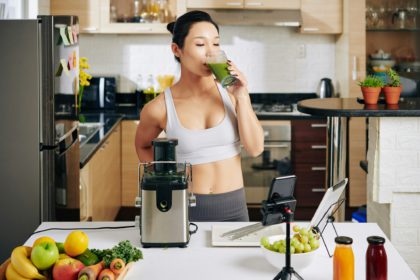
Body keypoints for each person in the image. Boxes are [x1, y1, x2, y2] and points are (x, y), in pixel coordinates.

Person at [134, 10, 264, 221]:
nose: (211, 53)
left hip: (235, 211)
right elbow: (142, 145)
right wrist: (164, 180)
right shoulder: (159, 107)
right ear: (177, 49)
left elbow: (255, 148)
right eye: (201, 45)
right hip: (184, 210)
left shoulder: (231, 95)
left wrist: (242, 96)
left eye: (216, 44)